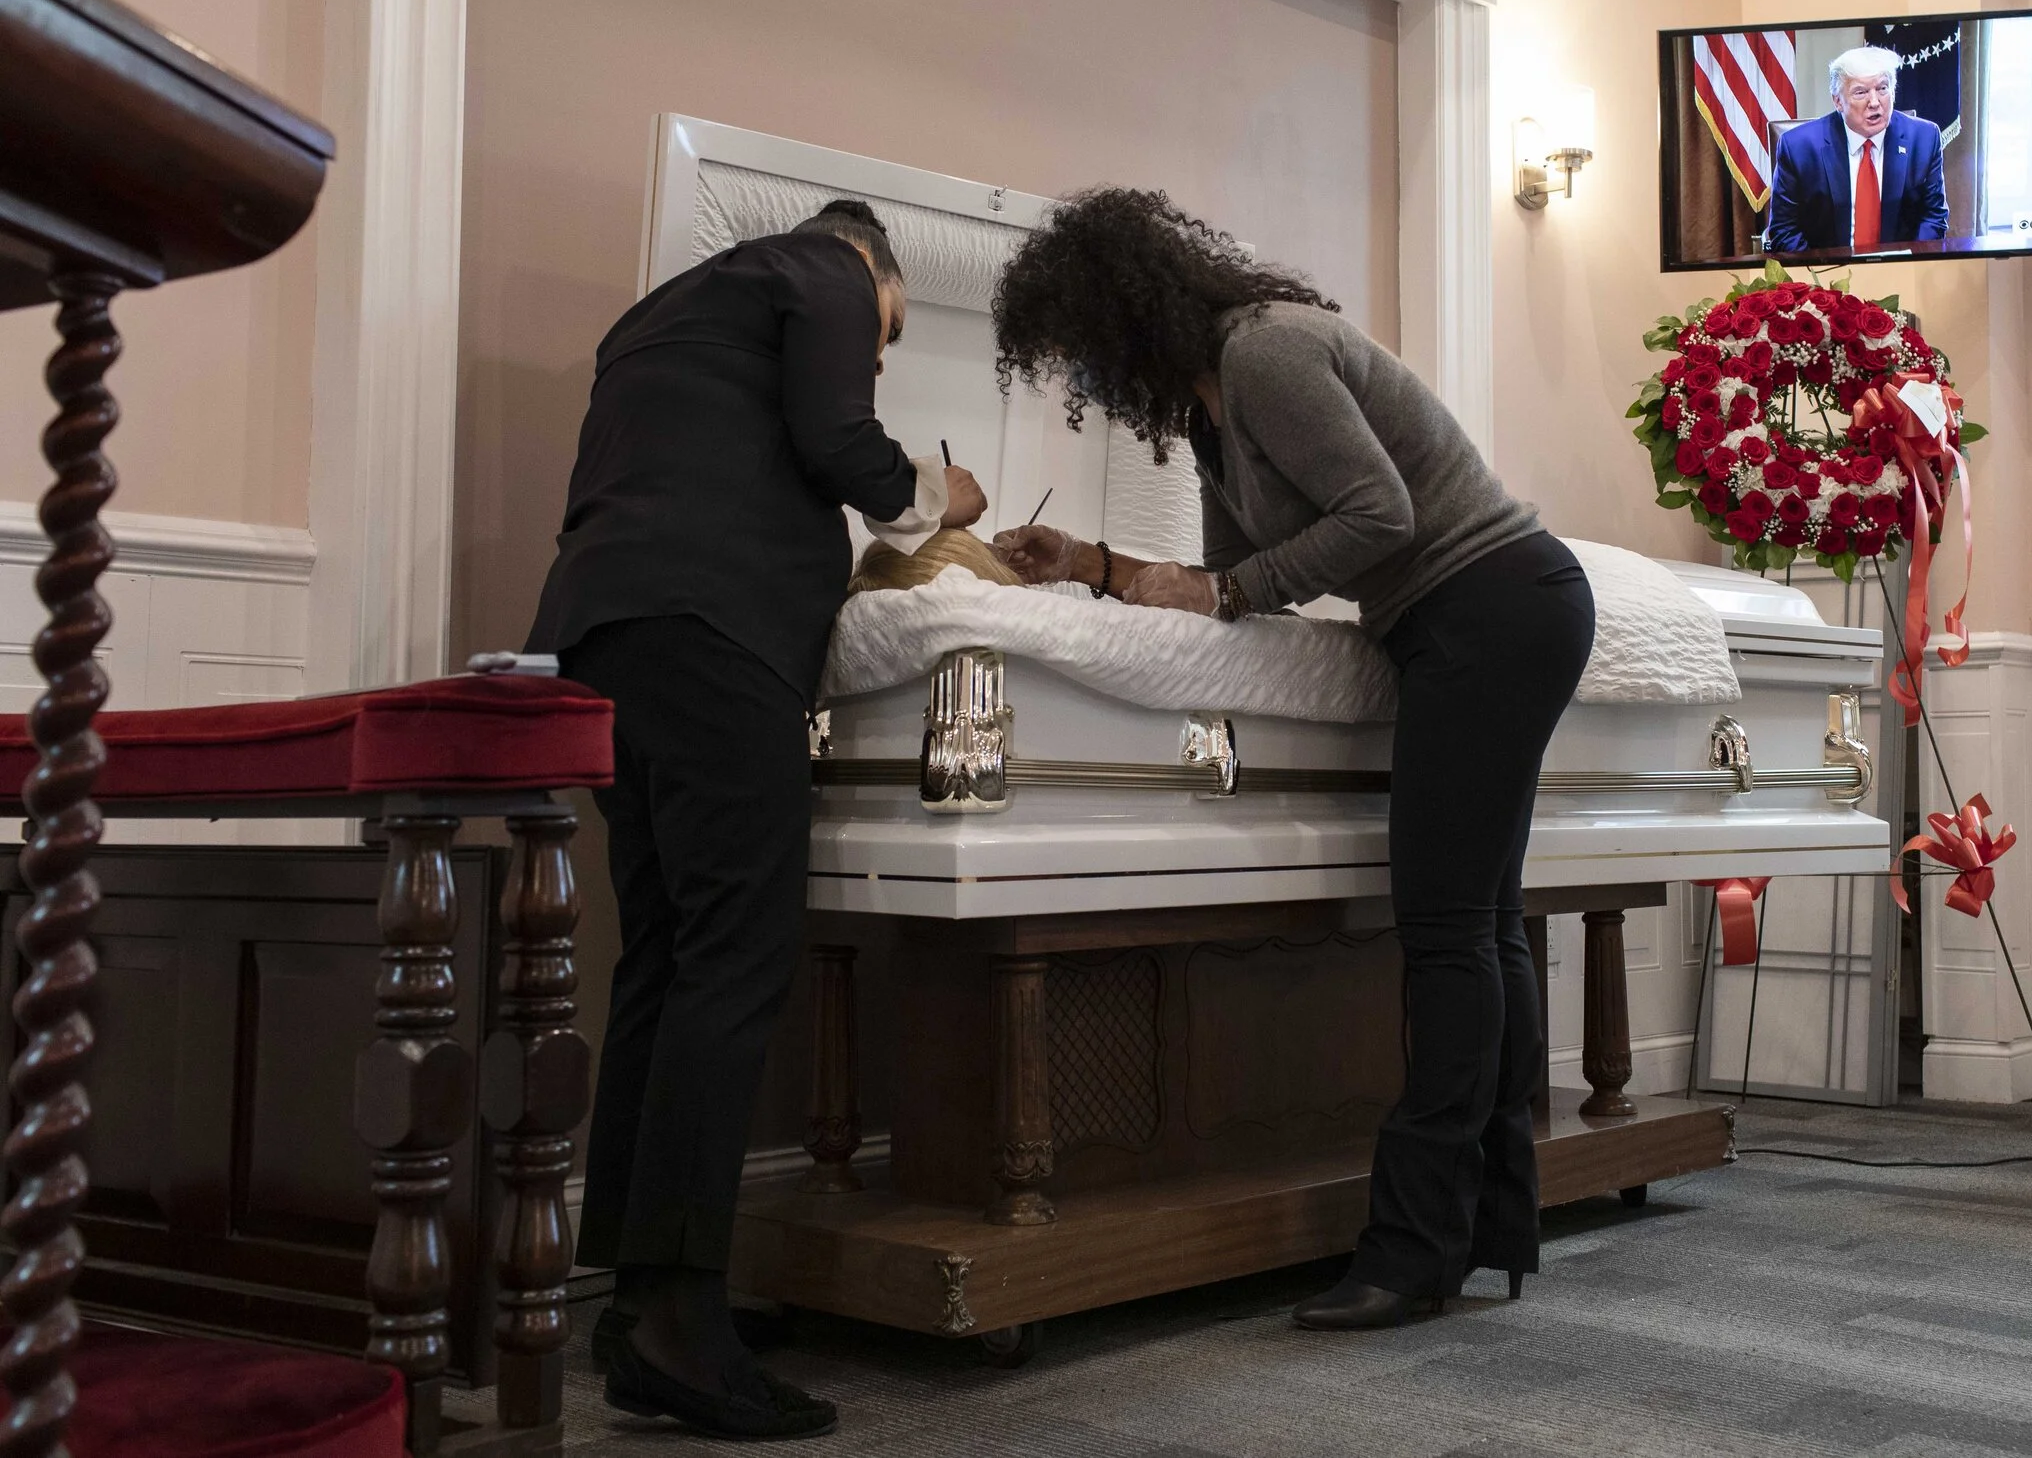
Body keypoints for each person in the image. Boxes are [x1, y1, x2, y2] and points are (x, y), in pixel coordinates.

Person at [987, 187, 1594, 1330]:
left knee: (1447, 927)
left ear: (1124, 318)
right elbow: (1237, 581)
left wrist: (1220, 587)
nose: (1082, 381)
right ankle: (1489, 1224)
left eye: (1080, 352)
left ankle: (1414, 1249)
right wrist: (1095, 564)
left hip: (1491, 604)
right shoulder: (1207, 411)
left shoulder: (1265, 352)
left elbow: (1381, 515)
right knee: (1483, 920)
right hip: (1471, 616)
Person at [526, 200, 985, 1438]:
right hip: (716, 633)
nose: (877, 349)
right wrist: (943, 497)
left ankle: (635, 1296)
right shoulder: (825, 269)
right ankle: (681, 1319)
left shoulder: (651, 323)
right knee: (736, 954)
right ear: (877, 268)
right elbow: (841, 439)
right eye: (888, 334)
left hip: (604, 633)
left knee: (668, 956)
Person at [1762, 43, 1949, 255]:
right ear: (1838, 101)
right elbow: (1784, 230)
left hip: (1901, 272)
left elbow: (1934, 218)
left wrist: (1910, 267)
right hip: (1826, 275)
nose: (1875, 102)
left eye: (1882, 89)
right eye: (1860, 92)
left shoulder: (1924, 138)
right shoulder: (1798, 147)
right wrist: (1820, 278)